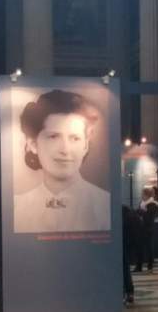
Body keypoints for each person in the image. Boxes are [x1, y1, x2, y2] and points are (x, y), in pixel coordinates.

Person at [13, 90, 110, 233]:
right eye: (53, 137)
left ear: (85, 145)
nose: (65, 150)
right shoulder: (17, 207)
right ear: (33, 144)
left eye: (75, 138)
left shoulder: (105, 205)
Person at [134, 186, 158, 272]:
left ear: (147, 195)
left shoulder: (152, 204)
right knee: (139, 247)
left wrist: (141, 212)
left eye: (143, 194)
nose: (141, 196)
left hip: (148, 229)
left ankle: (150, 266)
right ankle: (139, 266)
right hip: (140, 228)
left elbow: (148, 218)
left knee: (149, 248)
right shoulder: (142, 203)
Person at [122, 205, 140, 305]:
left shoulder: (122, 214)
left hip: (124, 244)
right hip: (128, 245)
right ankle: (129, 293)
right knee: (125, 269)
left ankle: (127, 293)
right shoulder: (128, 212)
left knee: (124, 269)